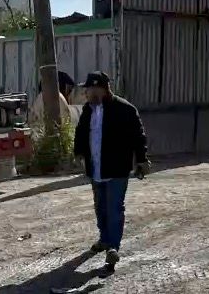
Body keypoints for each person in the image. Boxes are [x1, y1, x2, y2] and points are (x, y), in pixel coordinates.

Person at [74, 71, 149, 274]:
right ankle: (104, 238)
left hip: (116, 169)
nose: (87, 93)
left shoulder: (124, 109)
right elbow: (81, 132)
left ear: (101, 89)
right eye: (87, 90)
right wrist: (79, 152)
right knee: (100, 207)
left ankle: (113, 248)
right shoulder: (88, 110)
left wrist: (141, 160)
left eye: (90, 89)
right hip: (96, 168)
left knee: (115, 208)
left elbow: (138, 136)